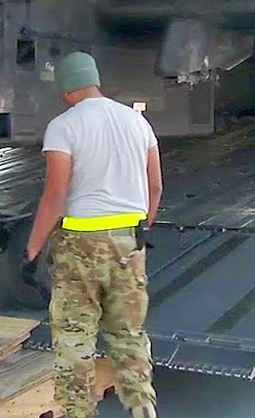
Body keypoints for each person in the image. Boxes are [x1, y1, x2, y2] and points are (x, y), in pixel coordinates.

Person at [24, 51, 162, 418]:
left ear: (67, 88)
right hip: (129, 243)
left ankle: (78, 413)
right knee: (128, 335)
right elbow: (156, 186)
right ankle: (143, 409)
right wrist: (138, 230)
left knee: (75, 338)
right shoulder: (137, 123)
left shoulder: (64, 126)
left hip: (80, 245)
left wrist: (33, 247)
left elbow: (56, 194)